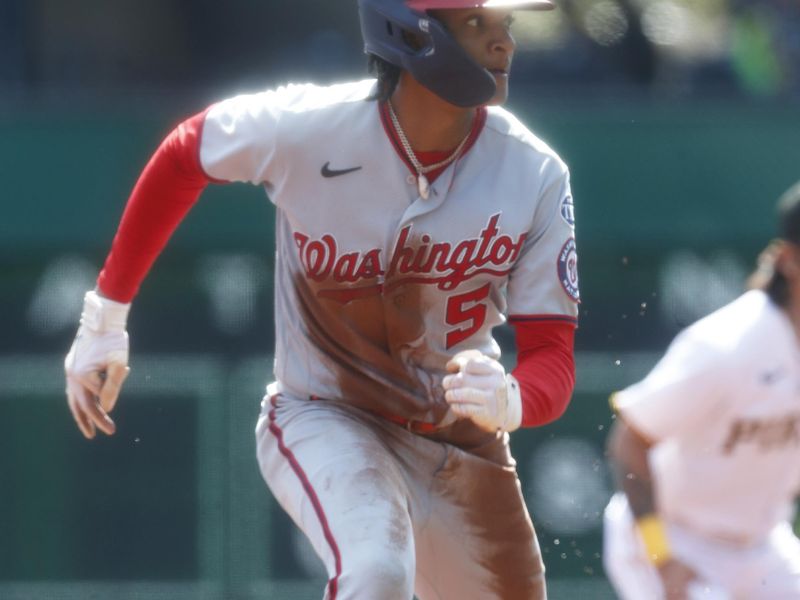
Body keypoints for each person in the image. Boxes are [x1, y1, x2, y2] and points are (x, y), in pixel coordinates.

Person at [63, 1, 580, 598]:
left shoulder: (536, 173)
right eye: (476, 25)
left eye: (505, 26)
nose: (504, 45)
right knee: (376, 571)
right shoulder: (310, 125)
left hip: (462, 438)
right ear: (410, 32)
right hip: (329, 414)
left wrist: (515, 398)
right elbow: (186, 152)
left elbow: (554, 360)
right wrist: (105, 315)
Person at [603, 181, 800, 599]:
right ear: (788, 259)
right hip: (678, 541)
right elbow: (629, 441)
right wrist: (663, 557)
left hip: (765, 546)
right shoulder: (728, 346)